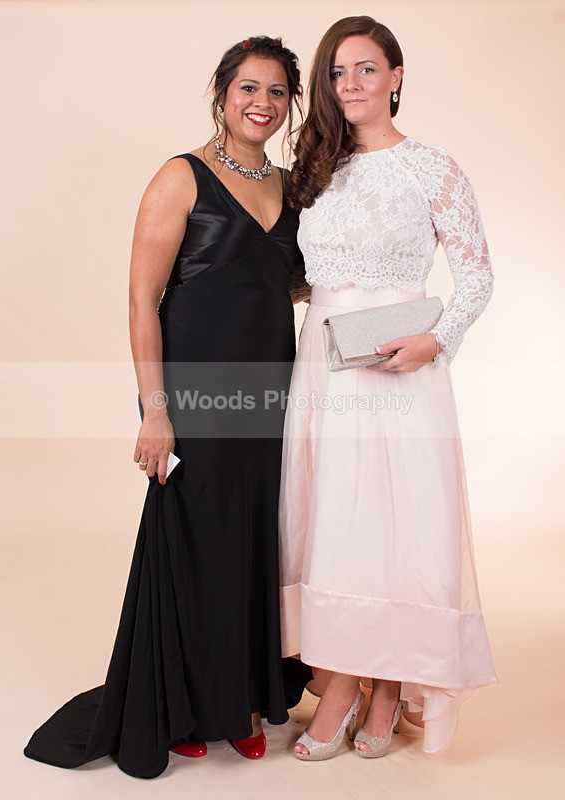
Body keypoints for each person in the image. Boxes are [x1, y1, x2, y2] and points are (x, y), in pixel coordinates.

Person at [24, 35, 311, 779]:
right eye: (248, 87)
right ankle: (184, 706)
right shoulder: (180, 176)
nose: (262, 103)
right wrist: (155, 411)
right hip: (194, 397)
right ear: (222, 93)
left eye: (277, 91)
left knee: (256, 541)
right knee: (195, 544)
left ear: (290, 104)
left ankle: (245, 700)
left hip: (270, 398)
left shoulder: (291, 187)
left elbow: (292, 285)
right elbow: (141, 300)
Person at [279, 16, 497, 761]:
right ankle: (342, 680)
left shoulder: (432, 167)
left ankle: (384, 686)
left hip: (400, 370)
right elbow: (306, 278)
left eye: (366, 69)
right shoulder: (316, 170)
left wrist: (437, 339)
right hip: (325, 366)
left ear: (397, 77)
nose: (350, 86)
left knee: (397, 527)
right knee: (337, 523)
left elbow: (477, 276)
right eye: (337, 73)